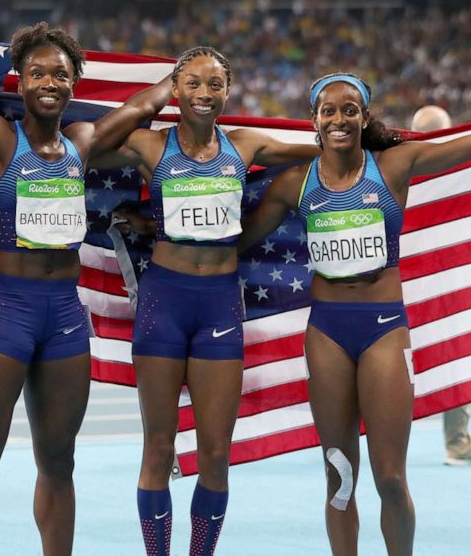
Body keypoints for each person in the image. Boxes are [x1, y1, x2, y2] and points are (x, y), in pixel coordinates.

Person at [238, 73, 471, 555]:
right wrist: (157, 236)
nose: (339, 119)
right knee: (340, 476)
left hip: (382, 331)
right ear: (314, 121)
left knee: (391, 478)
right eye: (328, 111)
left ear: (364, 117)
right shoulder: (295, 184)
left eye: (349, 110)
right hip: (327, 333)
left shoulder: (395, 164)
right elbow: (237, 241)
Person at [0, 22, 172, 556]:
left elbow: (139, 111)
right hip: (7, 312)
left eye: (61, 75)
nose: (50, 82)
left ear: (74, 85)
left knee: (59, 460)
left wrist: (179, 77)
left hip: (66, 316)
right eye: (38, 73)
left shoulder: (81, 143)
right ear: (19, 82)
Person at [100, 46, 318, 556]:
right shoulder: (150, 146)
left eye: (215, 84)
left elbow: (326, 152)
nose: (204, 93)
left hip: (220, 304)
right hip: (163, 303)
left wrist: (372, 139)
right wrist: (153, 96)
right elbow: (87, 146)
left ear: (228, 90)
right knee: (158, 446)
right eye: (192, 83)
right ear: (177, 89)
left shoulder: (246, 145)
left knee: (216, 453)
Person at [410, 105, 471, 468]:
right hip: (446, 285)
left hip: (404, 283)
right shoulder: (461, 168)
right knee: (454, 361)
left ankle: (347, 440)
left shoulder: (397, 164)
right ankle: (457, 444)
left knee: (386, 363)